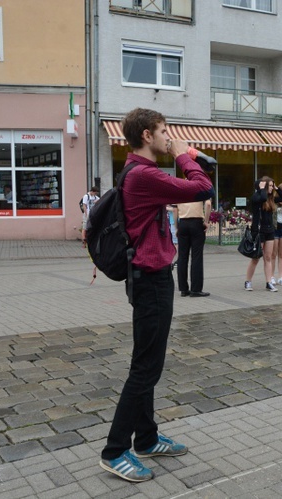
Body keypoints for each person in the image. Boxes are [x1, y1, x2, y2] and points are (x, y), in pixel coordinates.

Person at [99, 108, 214, 482]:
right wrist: (184, 154)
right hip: (150, 280)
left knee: (147, 362)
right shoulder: (145, 175)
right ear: (147, 135)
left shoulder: (137, 172)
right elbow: (202, 188)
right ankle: (115, 450)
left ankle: (146, 438)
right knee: (146, 368)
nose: (170, 137)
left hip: (152, 277)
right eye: (165, 132)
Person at [245, 176, 282, 292]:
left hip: (269, 230)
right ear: (263, 186)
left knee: (268, 257)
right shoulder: (256, 197)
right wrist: (262, 189)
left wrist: (277, 188)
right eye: (271, 186)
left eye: (273, 186)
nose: (272, 188)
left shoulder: (271, 198)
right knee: (256, 258)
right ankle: (248, 281)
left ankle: (268, 282)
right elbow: (262, 197)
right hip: (258, 231)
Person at [174, 198, 211, 297]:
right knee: (197, 257)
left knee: (182, 257)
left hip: (183, 223)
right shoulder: (200, 188)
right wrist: (206, 222)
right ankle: (196, 289)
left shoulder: (180, 189)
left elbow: (174, 209)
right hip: (196, 223)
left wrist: (177, 227)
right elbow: (208, 204)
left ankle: (183, 289)